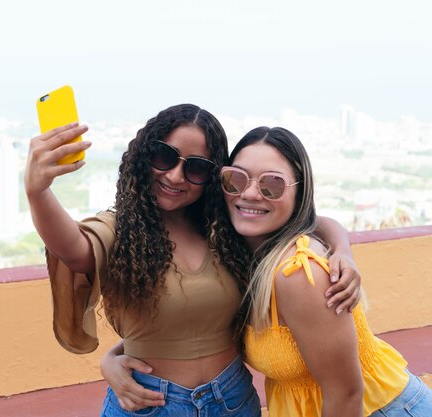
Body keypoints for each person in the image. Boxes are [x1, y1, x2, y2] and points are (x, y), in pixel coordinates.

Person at [25, 104, 361, 417]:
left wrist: (341, 250)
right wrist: (38, 191)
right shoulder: (121, 229)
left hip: (232, 400)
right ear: (144, 156)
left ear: (214, 176)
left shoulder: (224, 228)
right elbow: (72, 248)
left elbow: (304, 220)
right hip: (148, 403)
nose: (175, 175)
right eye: (164, 156)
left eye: (196, 168)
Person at [103, 126, 432, 416]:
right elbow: (195, 323)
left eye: (272, 185)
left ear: (299, 192)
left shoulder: (298, 273)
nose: (249, 193)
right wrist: (113, 359)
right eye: (236, 178)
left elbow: (346, 395)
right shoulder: (238, 251)